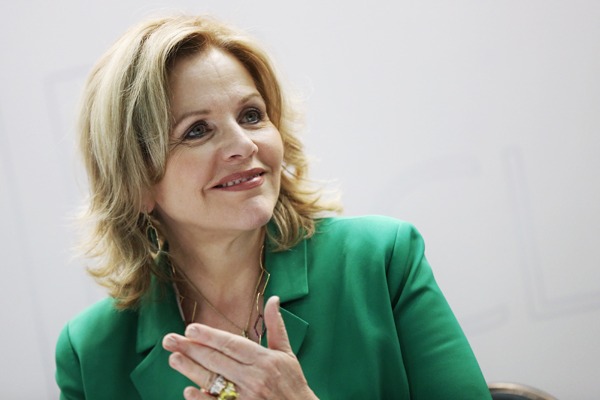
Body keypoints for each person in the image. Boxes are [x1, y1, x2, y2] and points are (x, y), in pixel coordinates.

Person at [55, 14, 492, 400]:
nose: (244, 145)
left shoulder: (381, 260)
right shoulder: (89, 353)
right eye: (197, 130)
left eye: (251, 115)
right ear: (136, 183)